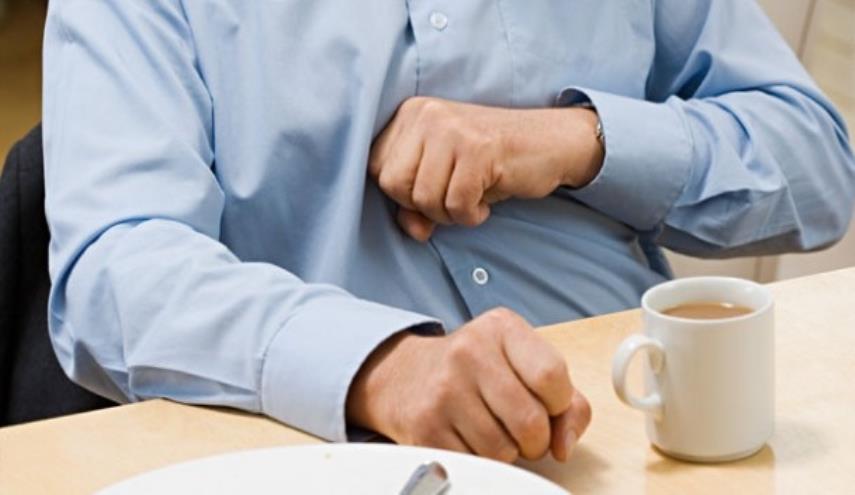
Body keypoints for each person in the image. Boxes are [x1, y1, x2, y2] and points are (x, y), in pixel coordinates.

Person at [43, 1, 853, 463]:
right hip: (342, 456)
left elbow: (818, 168)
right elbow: (114, 270)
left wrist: (575, 141)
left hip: (633, 434)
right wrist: (379, 366)